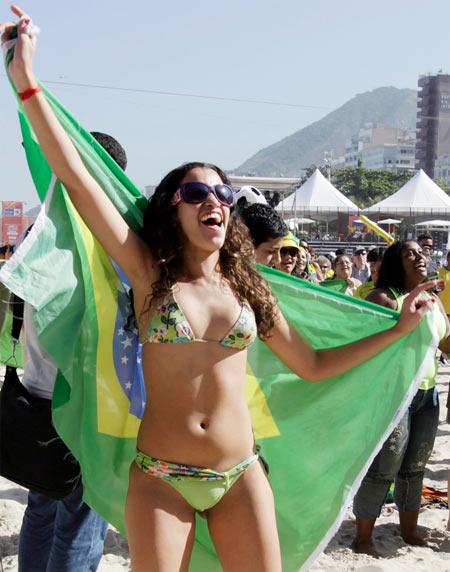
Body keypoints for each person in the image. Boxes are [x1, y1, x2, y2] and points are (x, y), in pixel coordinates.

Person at [1, 9, 438, 570]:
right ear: (171, 208)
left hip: (240, 473)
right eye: (196, 192)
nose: (214, 201)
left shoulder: (248, 285)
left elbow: (311, 363)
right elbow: (79, 180)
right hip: (161, 476)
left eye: (222, 194)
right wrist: (27, 84)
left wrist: (400, 329)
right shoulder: (148, 274)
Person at [16, 130, 127, 572]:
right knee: (81, 520)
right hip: (84, 402)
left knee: (43, 510)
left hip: (39, 392)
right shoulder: (103, 239)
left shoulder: (40, 232)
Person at [352, 240, 449, 556]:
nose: (420, 257)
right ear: (396, 262)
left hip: (428, 394)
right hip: (395, 394)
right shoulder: (384, 298)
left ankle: (408, 531)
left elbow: (445, 344)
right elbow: (374, 335)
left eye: (421, 253)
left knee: (416, 465)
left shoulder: (434, 300)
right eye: (411, 253)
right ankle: (363, 538)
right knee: (385, 465)